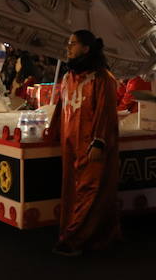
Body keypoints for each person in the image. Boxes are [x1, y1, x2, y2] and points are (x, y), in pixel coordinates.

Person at [47, 30, 120, 256]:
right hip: (70, 145)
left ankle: (74, 239)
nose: (68, 48)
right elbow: (61, 107)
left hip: (91, 146)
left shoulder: (102, 79)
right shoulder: (68, 77)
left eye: (73, 44)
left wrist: (98, 141)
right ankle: (77, 234)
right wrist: (53, 132)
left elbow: (106, 113)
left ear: (86, 48)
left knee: (91, 190)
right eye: (68, 44)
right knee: (72, 190)